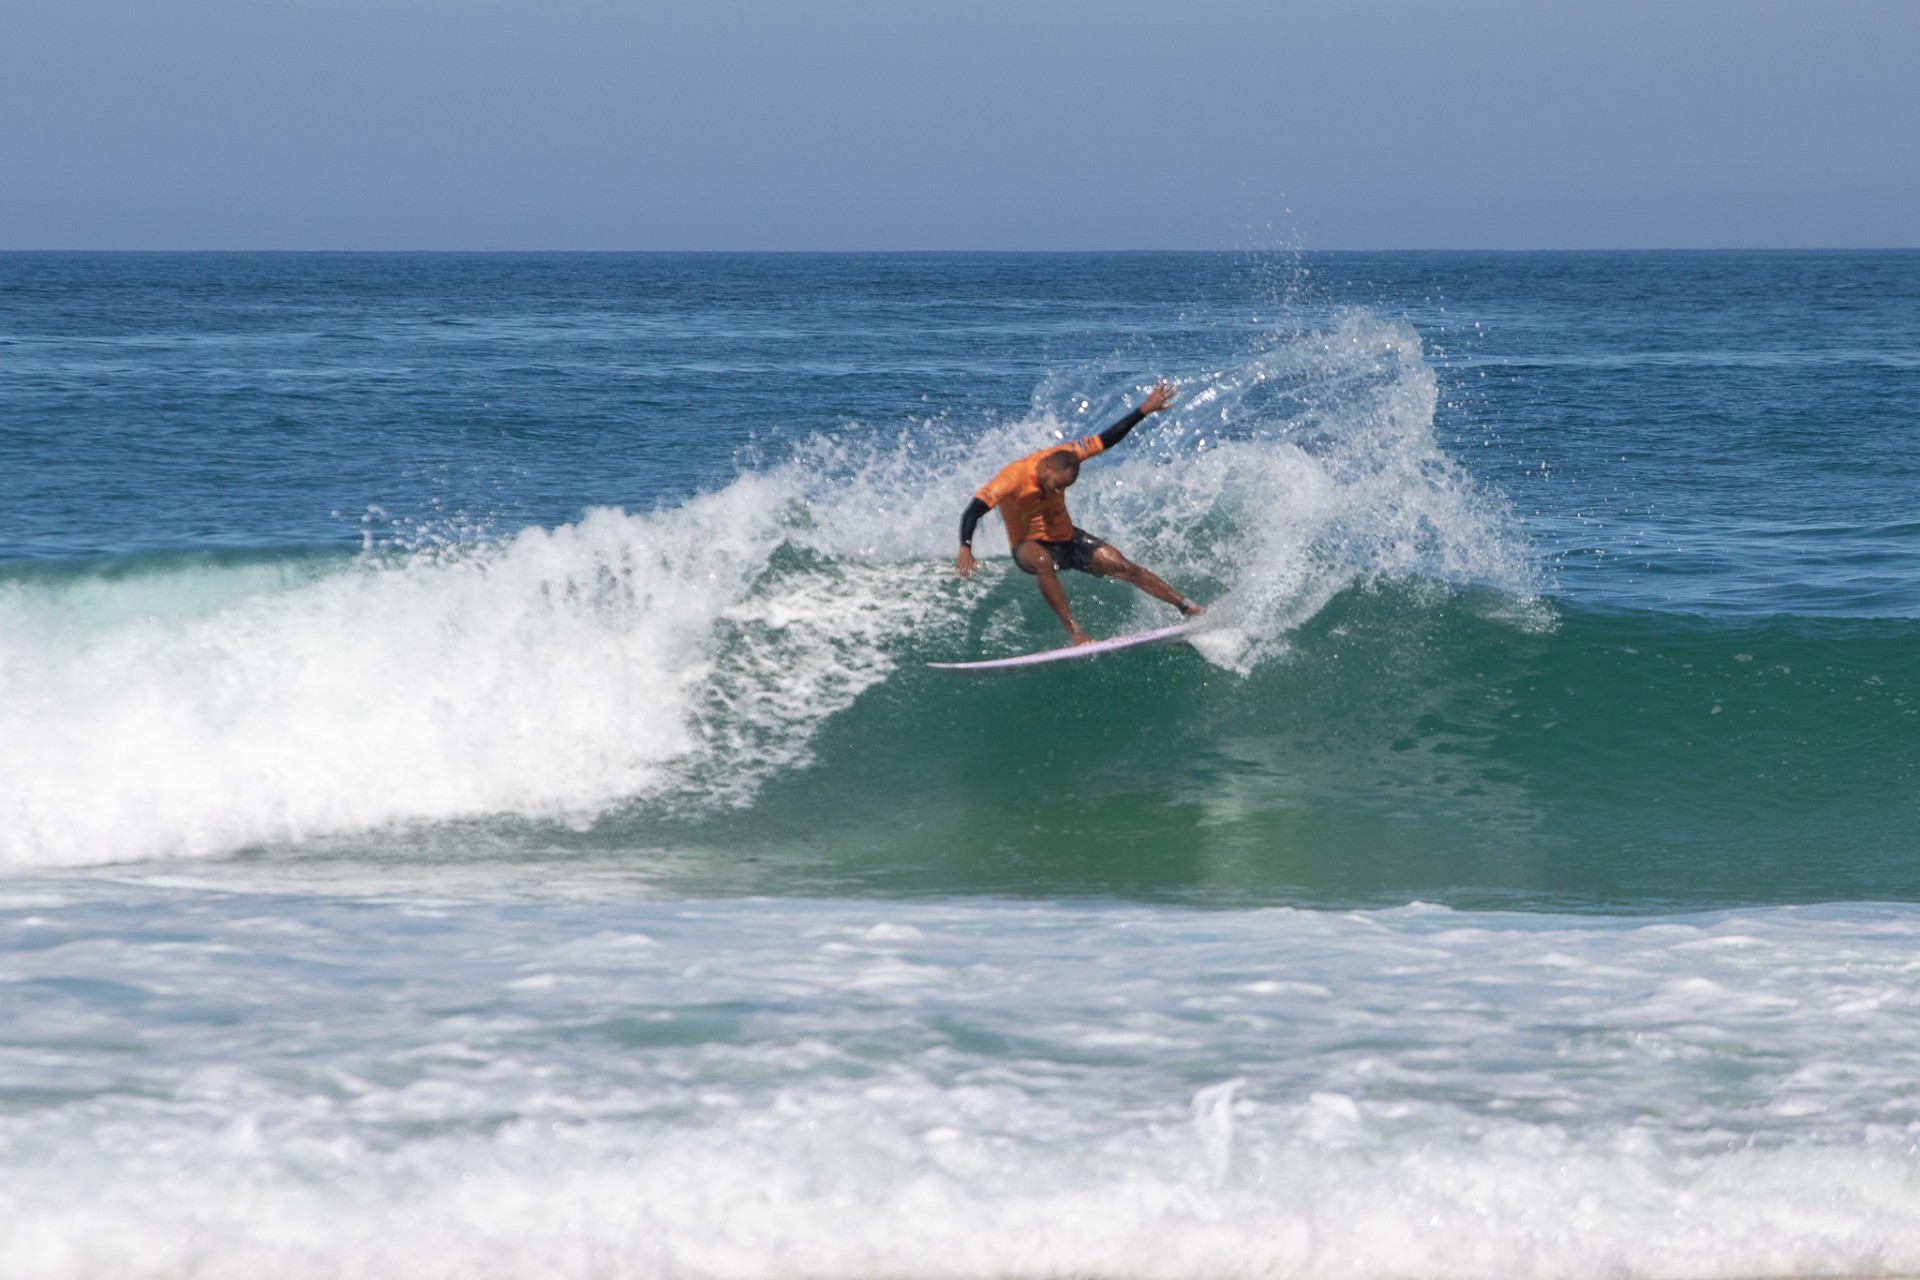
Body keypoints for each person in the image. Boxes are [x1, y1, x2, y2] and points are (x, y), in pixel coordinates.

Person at [955, 379, 1204, 645]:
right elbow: (973, 510)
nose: (1057, 491)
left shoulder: (1069, 455)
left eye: (1064, 488)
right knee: (1042, 561)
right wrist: (965, 546)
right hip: (1028, 544)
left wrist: (1143, 411)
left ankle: (1187, 606)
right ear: (1046, 469)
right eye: (1056, 485)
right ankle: (1076, 633)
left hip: (1067, 538)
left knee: (1122, 566)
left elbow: (1107, 439)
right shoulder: (1013, 478)